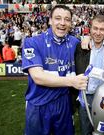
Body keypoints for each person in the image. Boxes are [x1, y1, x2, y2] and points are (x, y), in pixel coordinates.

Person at [22, 5, 88, 135]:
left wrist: (91, 38)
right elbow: (38, 77)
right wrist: (71, 81)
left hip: (64, 103)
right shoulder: (32, 42)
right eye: (58, 18)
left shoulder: (75, 42)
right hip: (38, 104)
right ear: (50, 20)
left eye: (67, 19)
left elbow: (95, 44)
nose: (62, 23)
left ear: (71, 22)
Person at [74, 15, 104, 135]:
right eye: (95, 28)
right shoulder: (80, 46)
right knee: (86, 130)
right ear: (90, 29)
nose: (98, 33)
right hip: (85, 96)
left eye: (102, 29)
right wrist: (86, 38)